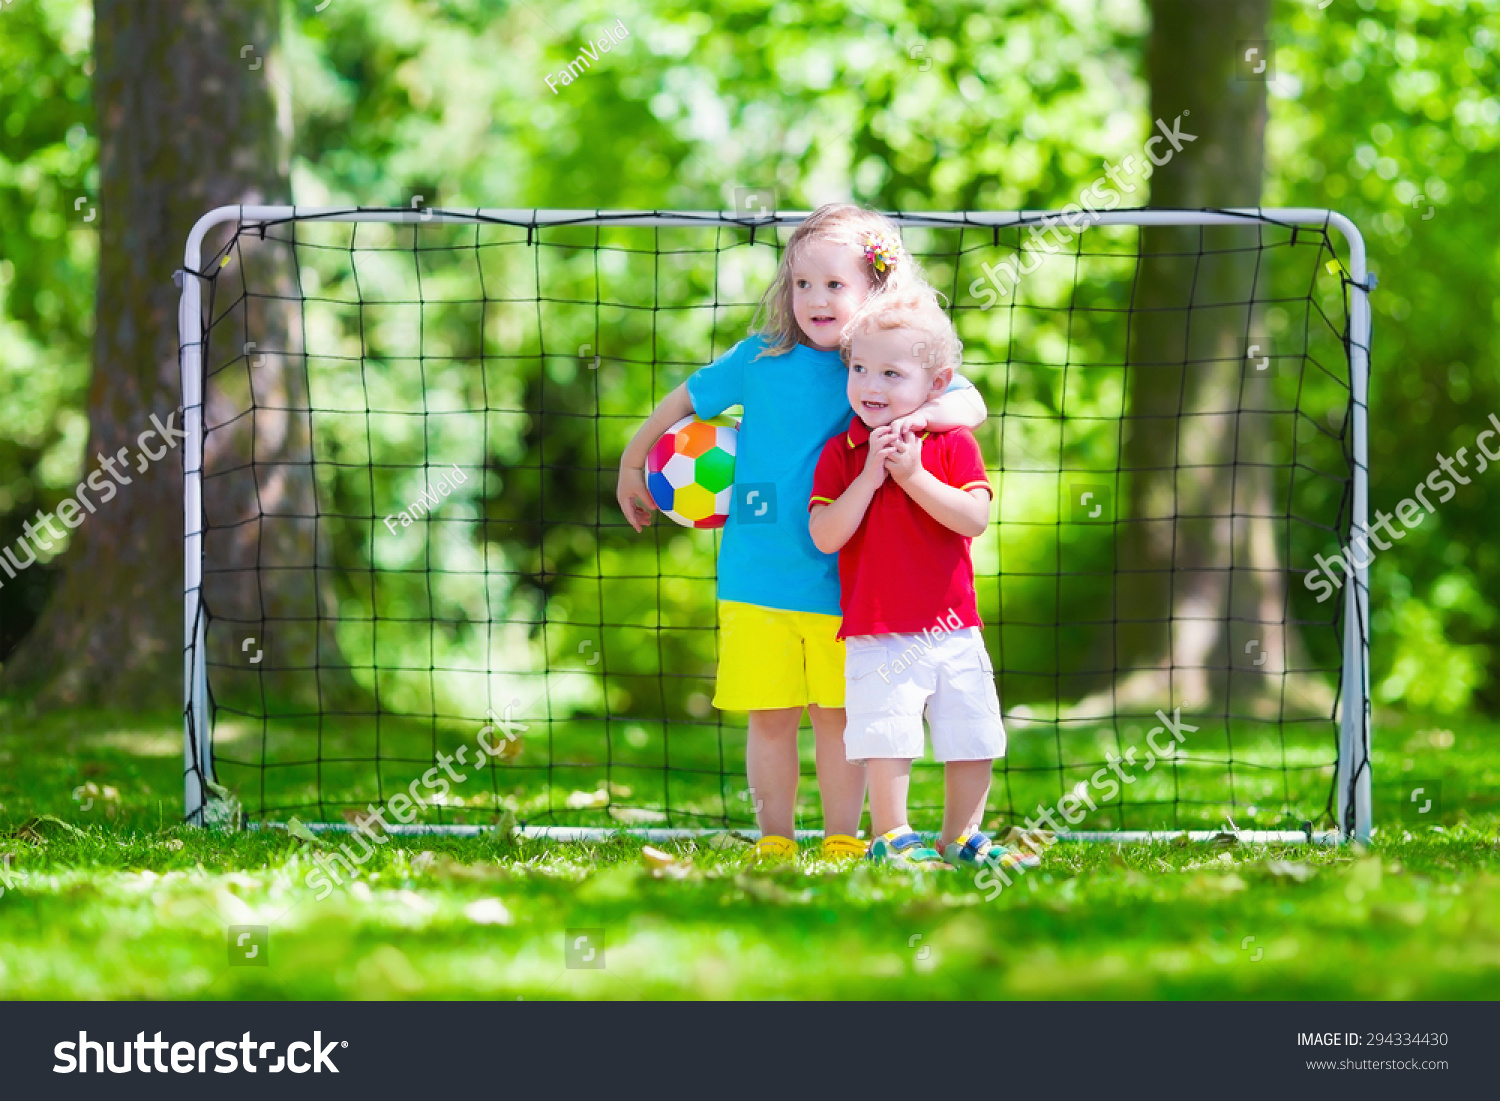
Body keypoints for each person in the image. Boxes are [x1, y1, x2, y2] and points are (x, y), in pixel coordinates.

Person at [615, 204, 987, 861]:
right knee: (770, 718)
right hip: (756, 579)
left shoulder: (876, 364)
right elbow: (685, 398)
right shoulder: (757, 360)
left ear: (876, 287)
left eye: (835, 284)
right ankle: (776, 840)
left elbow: (968, 399)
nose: (815, 298)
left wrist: (920, 418)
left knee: (838, 719)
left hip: (845, 587)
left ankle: (844, 838)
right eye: (802, 283)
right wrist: (631, 457)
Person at [809, 286, 1033, 872]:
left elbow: (974, 518)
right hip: (877, 629)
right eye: (859, 369)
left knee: (974, 732)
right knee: (887, 737)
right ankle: (892, 833)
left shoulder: (954, 444)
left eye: (891, 372)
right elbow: (825, 535)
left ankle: (961, 836)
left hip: (955, 627)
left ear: (936, 385)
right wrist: (871, 477)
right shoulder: (842, 450)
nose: (871, 386)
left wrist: (910, 476)